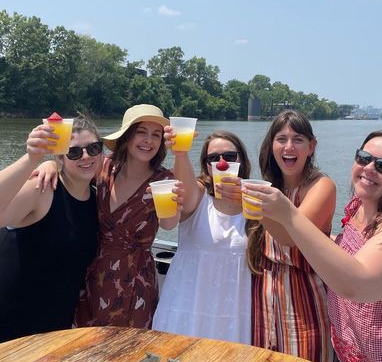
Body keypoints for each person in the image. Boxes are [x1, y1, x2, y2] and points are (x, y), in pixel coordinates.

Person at [243, 130, 382, 362]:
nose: (369, 168)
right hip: (353, 350)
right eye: (363, 158)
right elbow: (350, 253)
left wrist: (290, 215)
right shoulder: (359, 208)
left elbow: (358, 285)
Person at [73, 104, 182, 329]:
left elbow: (169, 225)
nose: (149, 141)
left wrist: (174, 202)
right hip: (94, 273)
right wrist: (48, 167)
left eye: (156, 135)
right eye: (141, 132)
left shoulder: (164, 179)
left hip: (136, 280)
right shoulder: (103, 167)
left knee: (129, 349)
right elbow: (71, 170)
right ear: (127, 135)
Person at [0, 116, 101, 342]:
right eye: (74, 152)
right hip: (11, 321)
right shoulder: (43, 189)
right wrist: (32, 159)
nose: (86, 157)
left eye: (94, 148)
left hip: (54, 327)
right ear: (61, 157)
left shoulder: (96, 199)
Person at [246, 110, 336, 361]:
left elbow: (290, 238)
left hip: (304, 299)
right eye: (281, 139)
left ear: (311, 146)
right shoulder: (271, 186)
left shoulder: (322, 186)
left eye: (298, 139)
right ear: (271, 145)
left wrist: (254, 205)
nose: (289, 146)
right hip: (263, 297)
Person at [152, 130, 254, 344]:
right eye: (214, 158)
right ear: (206, 165)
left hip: (234, 309)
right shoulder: (199, 196)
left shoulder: (253, 200)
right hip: (189, 305)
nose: (222, 162)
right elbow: (186, 193)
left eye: (230, 156)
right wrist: (180, 153)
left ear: (241, 160)